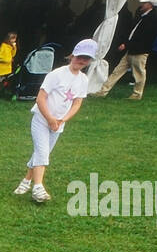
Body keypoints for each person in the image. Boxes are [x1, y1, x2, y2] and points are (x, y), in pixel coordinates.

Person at [14, 38, 96, 205]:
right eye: (79, 56)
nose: (81, 61)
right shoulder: (56, 74)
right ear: (72, 55)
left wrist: (62, 120)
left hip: (58, 123)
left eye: (86, 59)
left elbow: (77, 102)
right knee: (42, 152)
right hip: (41, 119)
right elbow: (40, 98)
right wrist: (50, 119)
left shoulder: (83, 80)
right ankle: (38, 188)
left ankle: (25, 182)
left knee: (41, 153)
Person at [94, 0, 157, 100]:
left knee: (139, 74)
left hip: (140, 51)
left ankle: (137, 94)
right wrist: (127, 44)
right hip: (132, 49)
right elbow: (134, 33)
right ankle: (103, 91)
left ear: (150, 5)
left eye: (145, 3)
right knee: (117, 71)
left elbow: (143, 36)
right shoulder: (143, 16)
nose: (142, 5)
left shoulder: (152, 18)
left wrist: (127, 44)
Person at [0, 30, 18, 97]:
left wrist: (14, 48)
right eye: (13, 38)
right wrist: (9, 60)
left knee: (2, 80)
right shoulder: (3, 46)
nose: (14, 40)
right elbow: (0, 57)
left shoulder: (10, 47)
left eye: (15, 39)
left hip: (6, 67)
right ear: (9, 39)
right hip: (0, 67)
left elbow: (13, 55)